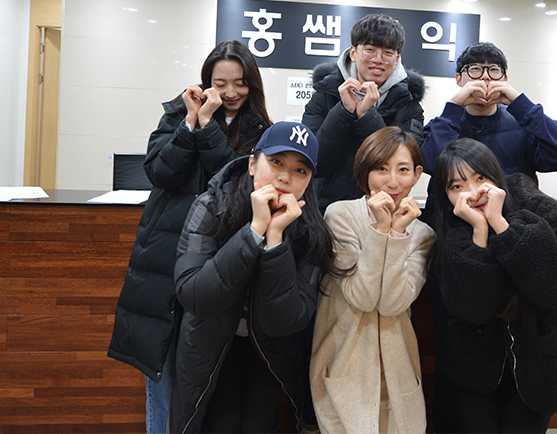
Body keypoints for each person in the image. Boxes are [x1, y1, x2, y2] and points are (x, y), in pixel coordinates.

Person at [107, 40, 271, 433]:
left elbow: (232, 183)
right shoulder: (177, 114)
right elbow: (160, 172)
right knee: (161, 376)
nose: (231, 92)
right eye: (221, 83)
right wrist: (190, 123)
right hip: (162, 261)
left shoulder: (261, 131)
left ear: (252, 84)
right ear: (207, 81)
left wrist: (208, 127)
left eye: (240, 83)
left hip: (213, 266)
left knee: (200, 384)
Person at [167, 121, 338, 433]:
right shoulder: (212, 206)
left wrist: (275, 240)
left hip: (271, 349)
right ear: (252, 164)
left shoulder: (311, 229)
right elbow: (195, 296)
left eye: (300, 170)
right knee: (221, 424)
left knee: (259, 424)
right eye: (276, 162)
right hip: (211, 341)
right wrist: (254, 230)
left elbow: (285, 321)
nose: (285, 177)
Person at [430, 138, 557, 433]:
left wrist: (499, 223)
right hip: (478, 368)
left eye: (480, 178)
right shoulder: (453, 232)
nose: (473, 193)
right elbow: (473, 310)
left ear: (496, 175)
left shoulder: (535, 204)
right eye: (457, 186)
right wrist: (480, 231)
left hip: (540, 364)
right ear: (447, 195)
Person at [310, 126, 435, 434]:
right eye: (381, 168)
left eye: (403, 170)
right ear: (365, 172)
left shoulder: (422, 234)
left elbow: (392, 304)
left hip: (396, 372)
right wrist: (381, 231)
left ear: (417, 175)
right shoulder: (340, 216)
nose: (392, 182)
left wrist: (398, 232)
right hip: (344, 368)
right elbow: (362, 297)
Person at [421, 41, 557, 220]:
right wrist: (454, 106)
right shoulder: (444, 124)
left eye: (494, 70)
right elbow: (429, 165)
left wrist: (521, 105)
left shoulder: (523, 123)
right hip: (452, 225)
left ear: (505, 79)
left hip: (512, 224)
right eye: (475, 69)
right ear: (459, 79)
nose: (485, 77)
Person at [302, 13, 425, 213]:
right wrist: (344, 111)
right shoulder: (324, 95)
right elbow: (315, 163)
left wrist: (367, 115)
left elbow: (402, 165)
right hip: (324, 211)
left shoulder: (409, 105)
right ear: (353, 52)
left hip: (384, 210)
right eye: (370, 50)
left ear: (397, 59)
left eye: (388, 53)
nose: (378, 60)